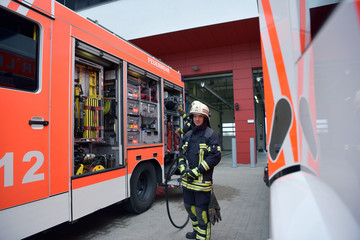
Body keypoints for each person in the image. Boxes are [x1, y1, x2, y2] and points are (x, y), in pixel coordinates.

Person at [178, 101, 221, 240]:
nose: (197, 119)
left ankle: (203, 237)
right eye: (195, 116)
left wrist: (196, 171)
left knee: (202, 214)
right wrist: (183, 168)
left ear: (205, 118)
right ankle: (196, 233)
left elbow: (214, 157)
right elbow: (181, 154)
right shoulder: (188, 135)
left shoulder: (211, 135)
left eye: (200, 116)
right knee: (190, 210)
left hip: (202, 185)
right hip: (187, 183)